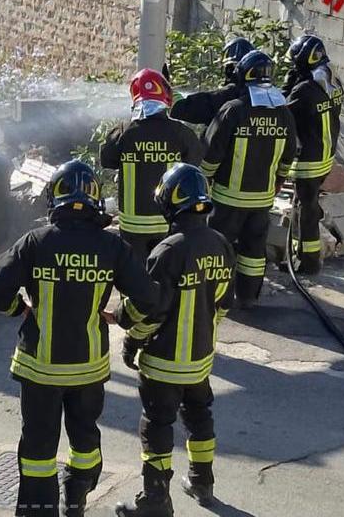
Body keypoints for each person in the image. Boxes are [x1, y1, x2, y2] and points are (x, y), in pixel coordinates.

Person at [0, 160, 164, 517]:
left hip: (39, 369)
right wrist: (122, 318)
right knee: (85, 439)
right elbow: (149, 298)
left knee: (37, 447)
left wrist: (17, 310)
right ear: (95, 199)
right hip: (88, 369)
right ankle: (77, 494)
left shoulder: (35, 242)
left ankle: (38, 510)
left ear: (56, 197)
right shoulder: (111, 247)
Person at [114, 163, 235, 516]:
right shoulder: (221, 244)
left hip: (164, 361)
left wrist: (132, 341)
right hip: (200, 359)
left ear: (169, 202)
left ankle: (155, 501)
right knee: (199, 416)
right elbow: (224, 302)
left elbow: (149, 311)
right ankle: (202, 483)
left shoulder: (167, 250)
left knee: (157, 425)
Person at [201, 50, 296, 308]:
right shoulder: (283, 113)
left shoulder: (233, 110)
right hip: (262, 200)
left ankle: (215, 297)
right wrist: (278, 180)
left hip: (228, 198)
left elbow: (211, 153)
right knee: (253, 251)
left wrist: (204, 180)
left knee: (219, 248)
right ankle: (248, 297)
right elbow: (288, 156)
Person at [101, 69, 205, 263]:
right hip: (169, 222)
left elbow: (107, 160)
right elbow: (195, 162)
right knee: (166, 273)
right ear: (165, 98)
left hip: (133, 226)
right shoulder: (181, 133)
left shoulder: (124, 132)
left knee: (134, 276)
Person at [282, 34, 344, 275]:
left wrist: (288, 84)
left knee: (304, 209)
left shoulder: (304, 90)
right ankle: (305, 255)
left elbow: (281, 109)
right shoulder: (332, 81)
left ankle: (307, 261)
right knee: (308, 203)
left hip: (308, 158)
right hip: (326, 154)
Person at [169, 37, 255, 126]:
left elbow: (183, 108)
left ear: (230, 69)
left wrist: (169, 92)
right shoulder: (265, 98)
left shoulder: (224, 96)